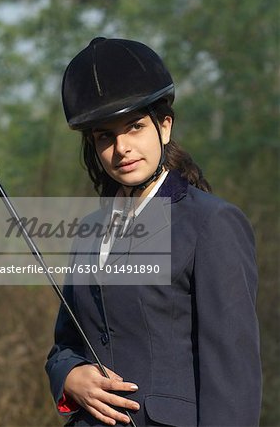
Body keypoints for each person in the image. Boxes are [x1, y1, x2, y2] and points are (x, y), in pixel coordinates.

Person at [45, 37, 262, 427]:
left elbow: (233, 376)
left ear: (164, 127)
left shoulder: (212, 223)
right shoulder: (91, 229)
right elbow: (66, 343)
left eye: (134, 127)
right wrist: (70, 376)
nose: (121, 148)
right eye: (104, 137)